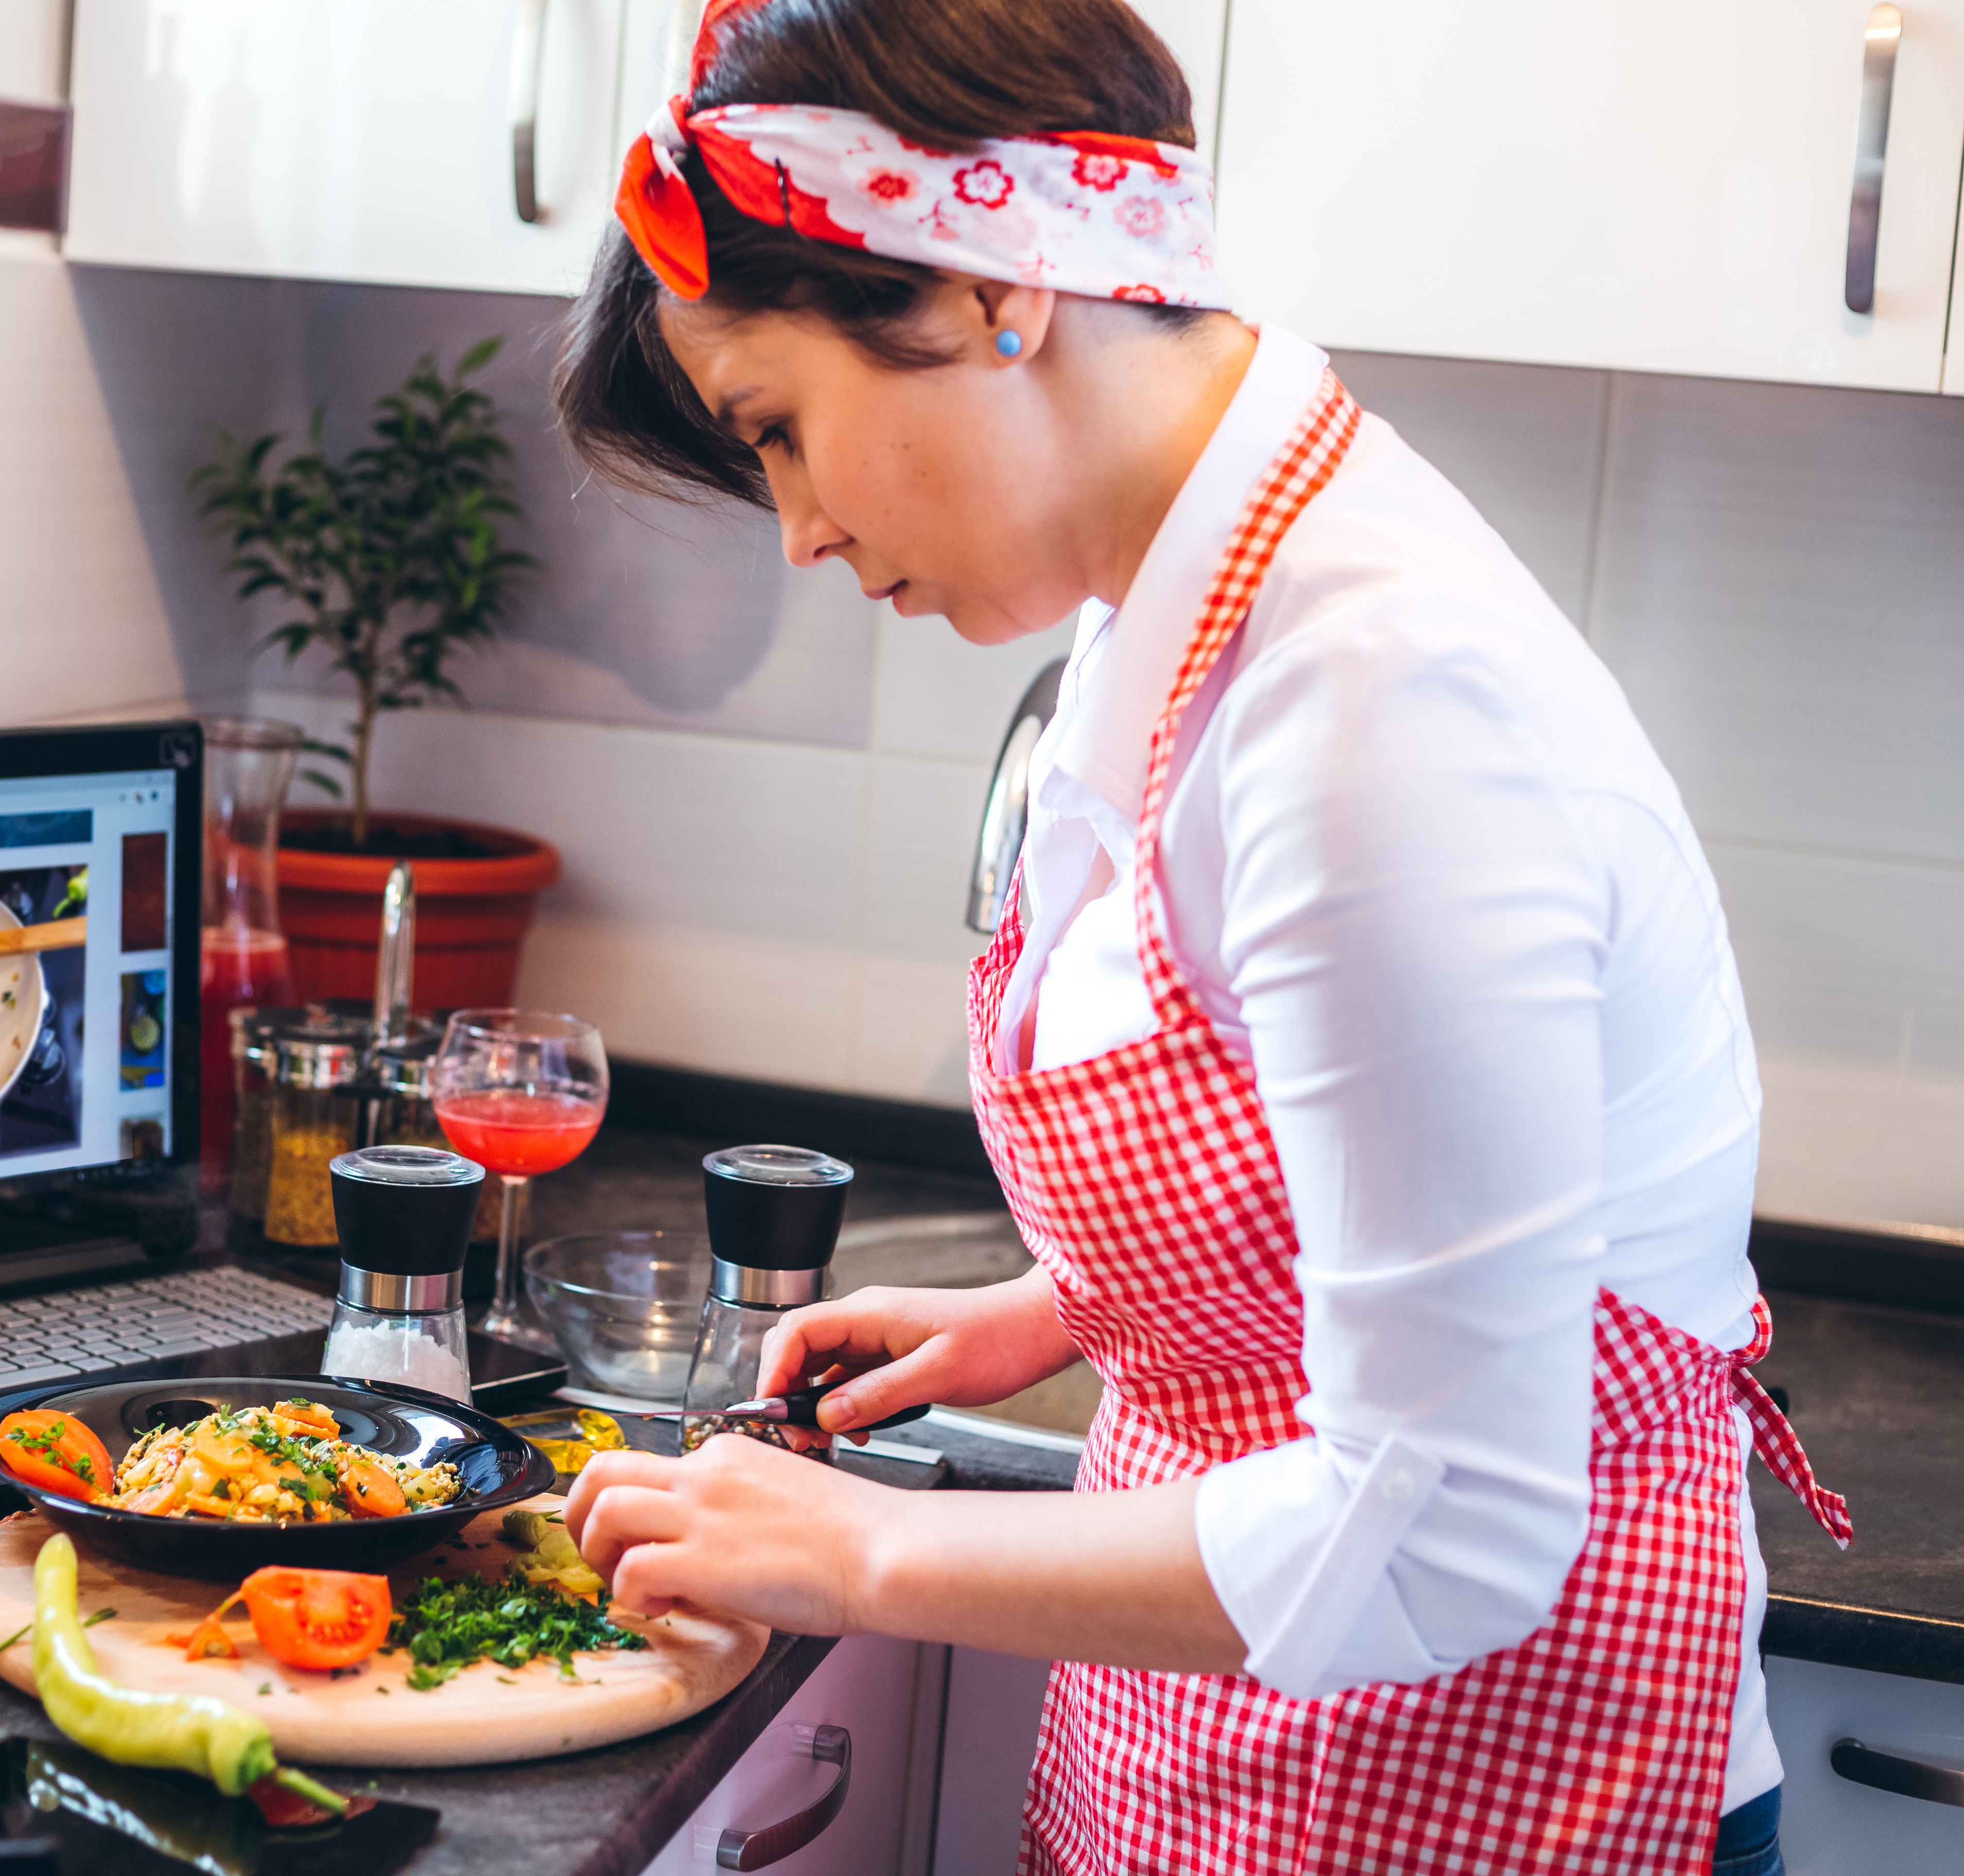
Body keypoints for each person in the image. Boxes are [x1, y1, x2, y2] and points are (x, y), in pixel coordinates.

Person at [554, 3, 1847, 1870]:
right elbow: (1356, 1163)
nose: (801, 536)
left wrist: (870, 1550)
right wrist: (1059, 1313)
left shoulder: (1377, 707)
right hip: (1242, 1769)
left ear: (1001, 284)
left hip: (1482, 1804)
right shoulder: (1181, 601)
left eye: (780, 432)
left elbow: (1450, 1525)